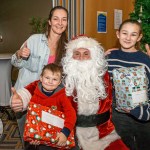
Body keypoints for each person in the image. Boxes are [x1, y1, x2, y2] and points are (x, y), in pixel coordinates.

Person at [11, 36, 129, 150]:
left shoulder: (103, 75)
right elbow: (39, 85)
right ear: (70, 57)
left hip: (103, 134)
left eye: (86, 53)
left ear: (94, 56)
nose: (81, 57)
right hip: (69, 133)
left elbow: (126, 71)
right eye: (77, 54)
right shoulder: (64, 76)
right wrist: (21, 99)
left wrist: (121, 53)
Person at [10, 5, 68, 146]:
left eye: (64, 19)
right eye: (56, 19)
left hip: (49, 103)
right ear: (49, 21)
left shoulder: (67, 47)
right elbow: (15, 61)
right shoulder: (34, 40)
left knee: (46, 141)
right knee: (29, 141)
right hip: (25, 99)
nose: (60, 23)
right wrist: (19, 54)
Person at [106, 19, 150, 150]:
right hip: (119, 115)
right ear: (118, 34)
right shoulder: (110, 57)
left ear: (139, 37)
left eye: (133, 34)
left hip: (143, 113)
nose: (128, 38)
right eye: (125, 33)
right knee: (123, 146)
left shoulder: (145, 60)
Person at [11, 63, 77, 150]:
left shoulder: (62, 95)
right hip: (43, 136)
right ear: (41, 78)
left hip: (60, 134)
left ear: (59, 82)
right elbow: (33, 117)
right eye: (47, 78)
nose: (50, 82)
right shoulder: (36, 94)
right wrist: (34, 136)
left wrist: (65, 132)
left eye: (54, 79)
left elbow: (71, 114)